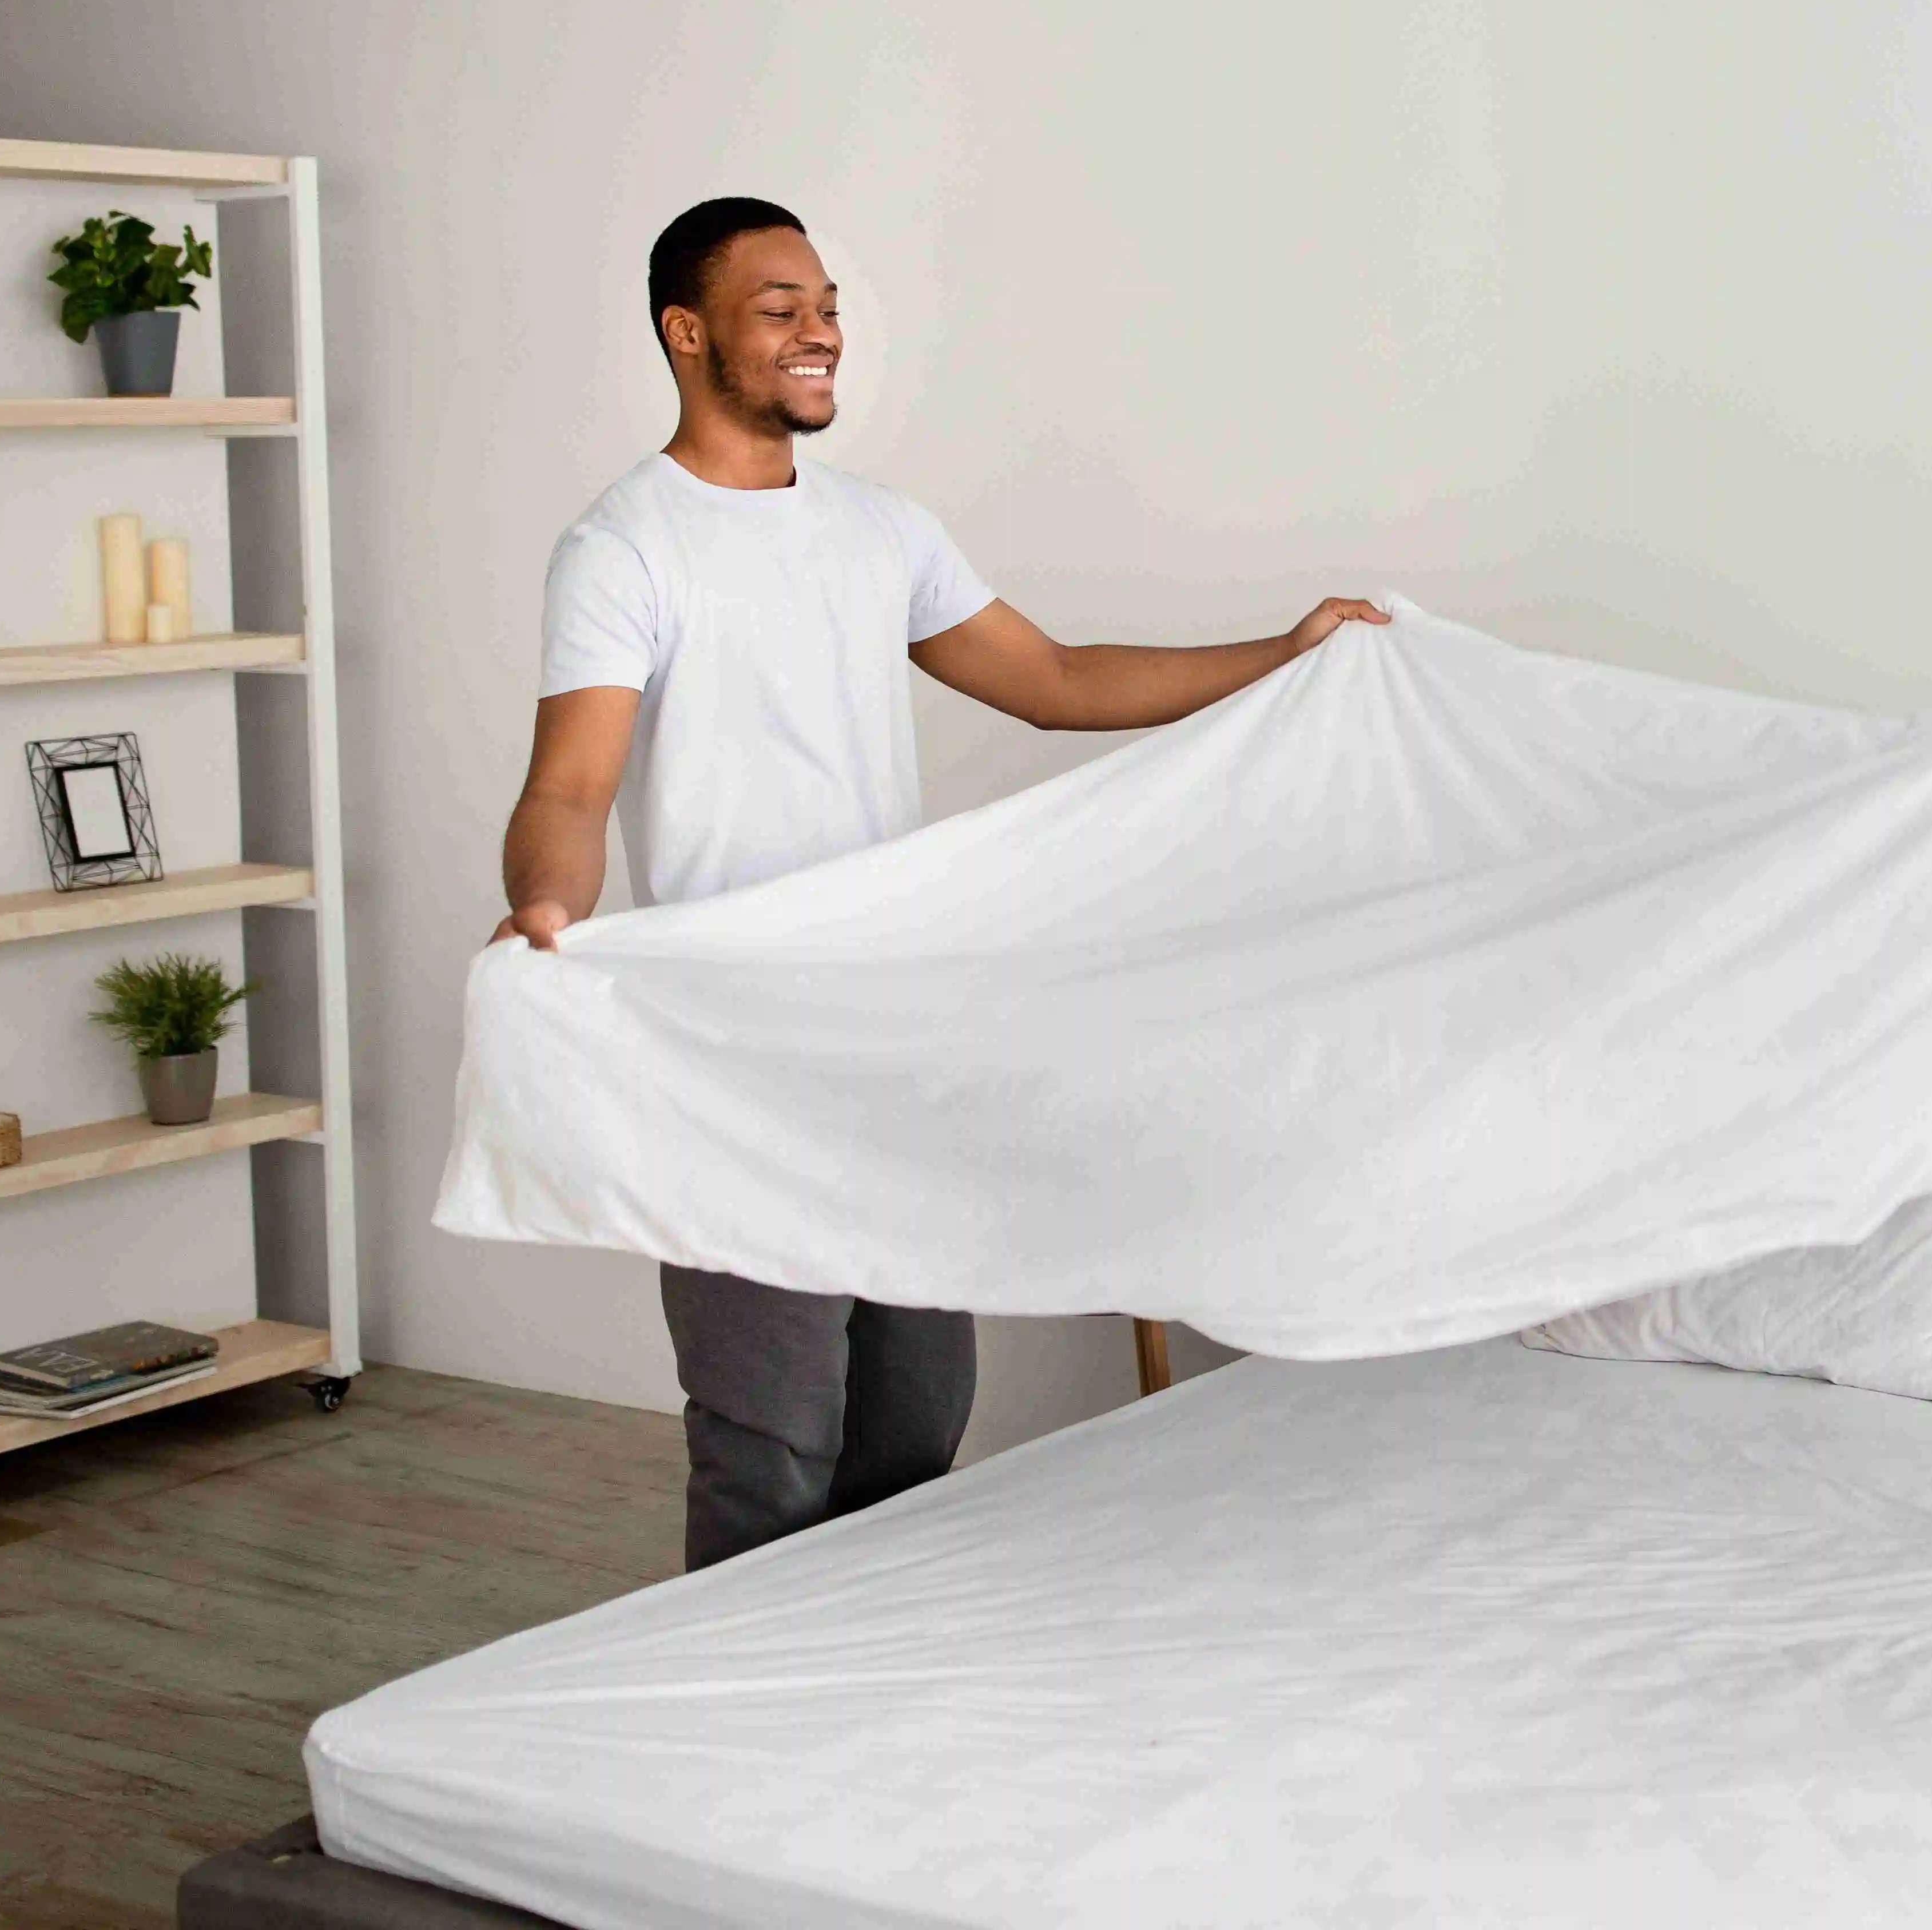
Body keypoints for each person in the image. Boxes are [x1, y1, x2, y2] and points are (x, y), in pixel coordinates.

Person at [491, 194, 1385, 1571]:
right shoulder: (625, 548)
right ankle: (739, 1723)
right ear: (688, 333)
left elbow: (1057, 679)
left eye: (829, 306)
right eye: (779, 308)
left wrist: (1290, 649)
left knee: (918, 1417)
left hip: (896, 1033)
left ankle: (867, 1703)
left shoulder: (881, 529)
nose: (820, 333)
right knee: (772, 1429)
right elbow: (570, 787)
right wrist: (550, 906)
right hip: (741, 1053)